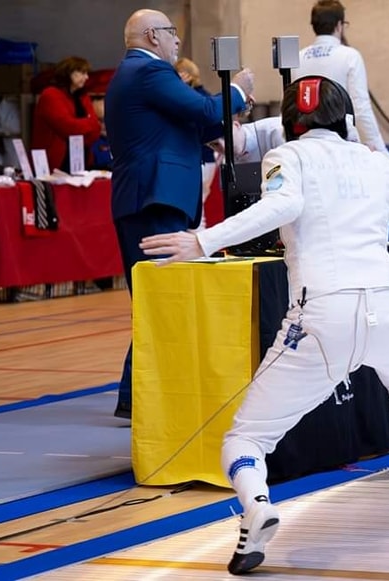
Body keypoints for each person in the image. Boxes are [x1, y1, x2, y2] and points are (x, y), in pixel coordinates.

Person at [138, 76, 389, 575]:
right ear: (344, 121)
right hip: (387, 309)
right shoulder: (379, 161)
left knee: (245, 440)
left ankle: (257, 507)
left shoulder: (288, 158)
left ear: (292, 126)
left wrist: (204, 241)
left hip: (321, 315)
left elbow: (281, 205)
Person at [105, 8, 255, 419]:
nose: (177, 42)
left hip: (150, 197)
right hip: (154, 198)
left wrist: (216, 137)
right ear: (153, 36)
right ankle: (137, 398)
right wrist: (238, 91)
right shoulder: (150, 72)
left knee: (161, 303)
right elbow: (205, 111)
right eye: (172, 34)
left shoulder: (137, 75)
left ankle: (135, 397)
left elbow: (183, 125)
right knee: (163, 302)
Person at [289, 0, 389, 154]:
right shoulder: (350, 56)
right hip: (342, 145)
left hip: (305, 147)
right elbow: (361, 108)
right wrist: (381, 151)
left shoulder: (298, 58)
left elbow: (288, 108)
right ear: (339, 25)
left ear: (314, 26)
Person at [30, 56, 102, 173]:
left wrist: (86, 125)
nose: (87, 77)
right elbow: (67, 127)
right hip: (54, 161)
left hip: (80, 158)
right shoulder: (50, 95)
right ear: (69, 73)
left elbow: (96, 129)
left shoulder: (83, 96)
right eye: (82, 73)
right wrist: (89, 123)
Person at [174, 57, 220, 224]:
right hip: (208, 159)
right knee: (197, 209)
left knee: (193, 212)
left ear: (185, 75)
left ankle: (197, 247)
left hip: (197, 159)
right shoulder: (207, 98)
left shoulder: (192, 100)